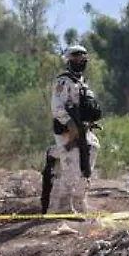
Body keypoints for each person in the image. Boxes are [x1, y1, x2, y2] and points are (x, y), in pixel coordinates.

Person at [43, 45, 101, 215]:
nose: (80, 61)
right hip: (67, 130)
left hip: (83, 130)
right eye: (76, 58)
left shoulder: (81, 82)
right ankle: (63, 206)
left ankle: (79, 199)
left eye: (83, 58)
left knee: (92, 151)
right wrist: (69, 123)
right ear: (69, 61)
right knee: (71, 167)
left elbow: (86, 106)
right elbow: (57, 107)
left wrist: (90, 121)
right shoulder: (63, 81)